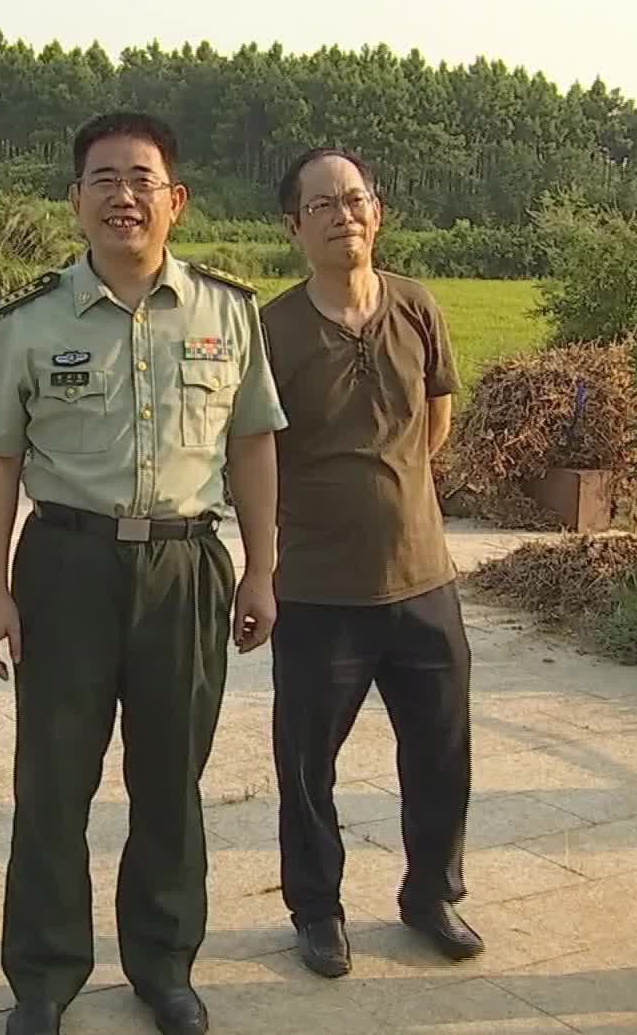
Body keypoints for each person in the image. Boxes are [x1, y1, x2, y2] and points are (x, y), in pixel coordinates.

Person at [0, 111, 287, 1035]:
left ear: (176, 200)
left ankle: (164, 965)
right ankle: (44, 977)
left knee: (171, 780)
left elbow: (254, 444)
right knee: (53, 782)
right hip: (66, 567)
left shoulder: (228, 312)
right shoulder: (25, 321)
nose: (123, 197)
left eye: (142, 180)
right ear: (76, 200)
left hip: (185, 566)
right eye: (103, 179)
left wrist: (262, 569)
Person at [258, 148, 481, 979]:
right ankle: (317, 910)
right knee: (308, 764)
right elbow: (258, 455)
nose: (342, 215)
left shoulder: (417, 307)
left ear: (377, 214)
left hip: (425, 580)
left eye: (355, 199)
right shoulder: (272, 329)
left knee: (441, 751)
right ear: (294, 226)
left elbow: (435, 422)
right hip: (317, 590)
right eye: (322, 204)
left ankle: (432, 896)